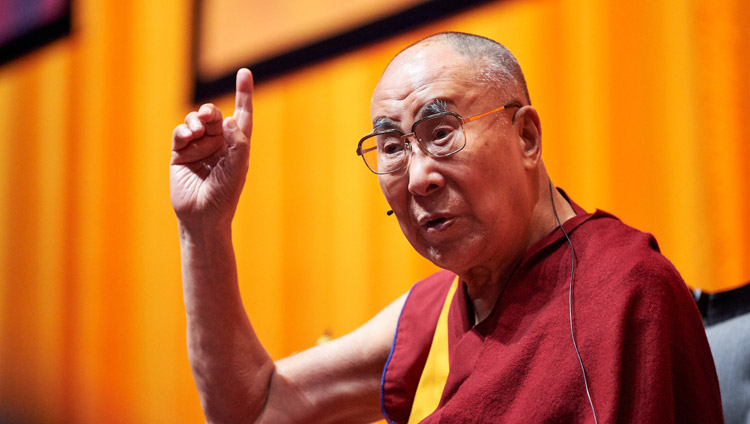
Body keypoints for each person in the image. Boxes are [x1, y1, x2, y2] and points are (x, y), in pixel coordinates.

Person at [170, 32, 723, 423]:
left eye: (441, 132)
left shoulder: (625, 291)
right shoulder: (436, 312)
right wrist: (204, 229)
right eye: (391, 148)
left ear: (526, 137)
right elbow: (255, 408)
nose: (417, 178)